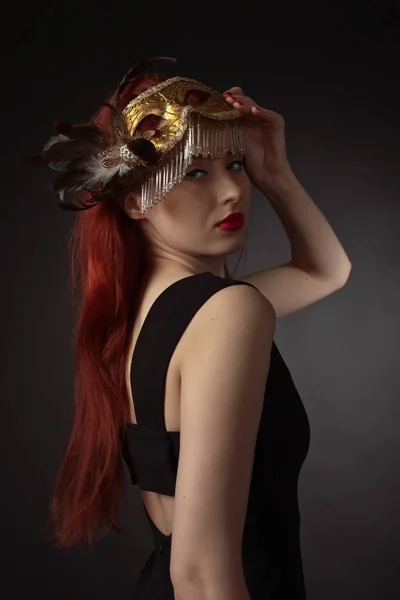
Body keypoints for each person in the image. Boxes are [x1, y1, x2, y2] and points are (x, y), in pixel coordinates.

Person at [29, 55, 349, 599]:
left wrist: (273, 170)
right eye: (196, 172)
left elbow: (324, 272)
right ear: (135, 200)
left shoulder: (155, 309)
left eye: (236, 165)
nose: (231, 192)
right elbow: (200, 575)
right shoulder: (225, 313)